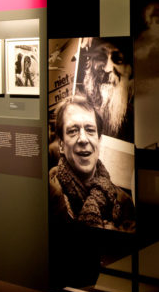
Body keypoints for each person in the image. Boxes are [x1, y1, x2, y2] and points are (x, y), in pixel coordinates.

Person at [48, 96, 135, 232]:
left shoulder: (124, 203)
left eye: (90, 130)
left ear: (99, 141)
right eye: (73, 131)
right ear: (61, 145)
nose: (83, 139)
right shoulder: (47, 196)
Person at [82, 39, 132, 138]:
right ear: (90, 63)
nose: (108, 68)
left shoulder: (132, 122)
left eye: (118, 59)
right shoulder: (78, 107)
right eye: (101, 57)